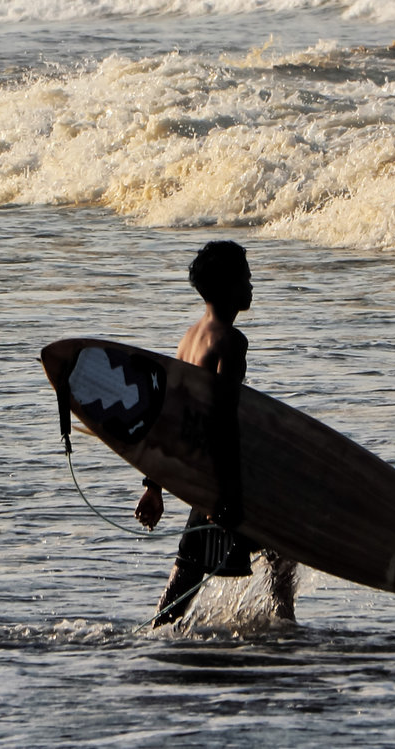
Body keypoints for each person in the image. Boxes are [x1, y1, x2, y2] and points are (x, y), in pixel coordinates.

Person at [134, 240, 296, 627]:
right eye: (245, 276)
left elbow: (170, 414)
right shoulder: (230, 342)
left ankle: (282, 622)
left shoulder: (190, 337)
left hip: (198, 475)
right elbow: (222, 422)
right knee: (279, 546)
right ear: (227, 286)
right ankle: (284, 625)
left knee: (197, 570)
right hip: (217, 479)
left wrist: (153, 485)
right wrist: (225, 495)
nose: (252, 283)